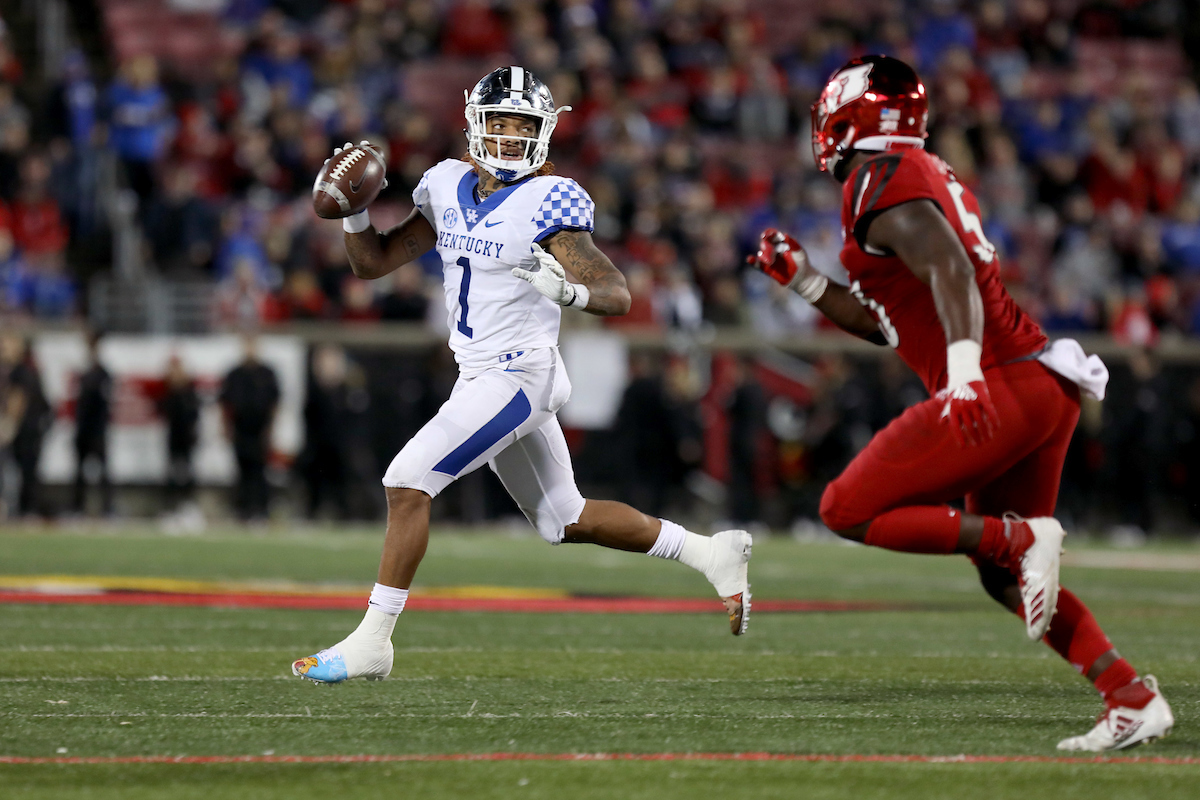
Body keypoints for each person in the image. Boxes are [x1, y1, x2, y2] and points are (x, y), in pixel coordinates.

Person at [747, 55, 1172, 753]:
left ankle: (1020, 537)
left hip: (997, 383)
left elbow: (947, 269)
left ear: (849, 118)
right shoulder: (914, 174)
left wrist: (967, 373)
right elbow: (890, 322)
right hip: (1037, 388)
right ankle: (1128, 694)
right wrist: (803, 280)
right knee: (1003, 579)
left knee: (845, 510)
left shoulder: (874, 180)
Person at [293, 67, 752, 685]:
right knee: (564, 519)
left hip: (520, 375)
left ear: (544, 132)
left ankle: (374, 641)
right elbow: (374, 264)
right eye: (500, 125)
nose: (510, 139)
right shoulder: (445, 183)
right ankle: (710, 551)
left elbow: (614, 292)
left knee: (406, 480)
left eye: (523, 127)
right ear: (474, 126)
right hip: (477, 374)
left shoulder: (551, 198)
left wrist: (568, 291)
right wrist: (353, 215)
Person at [219, 335, 279, 521]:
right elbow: (224, 403)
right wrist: (226, 428)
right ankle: (242, 510)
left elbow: (275, 404)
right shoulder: (234, 373)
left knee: (259, 471)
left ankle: (261, 510)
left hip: (260, 430)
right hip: (240, 430)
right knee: (241, 471)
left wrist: (271, 429)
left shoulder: (267, 373)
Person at [0, 333, 49, 518]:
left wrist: (8, 425)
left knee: (22, 470)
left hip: (26, 430)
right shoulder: (31, 370)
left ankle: (25, 509)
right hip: (32, 428)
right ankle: (25, 509)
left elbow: (17, 400)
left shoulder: (21, 372)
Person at [72, 332, 112, 516]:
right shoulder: (84, 373)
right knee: (80, 472)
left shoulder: (103, 374)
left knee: (103, 472)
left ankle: (107, 508)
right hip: (83, 430)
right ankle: (78, 507)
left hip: (97, 430)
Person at [158, 353, 200, 512]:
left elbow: (194, 415)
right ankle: (171, 506)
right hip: (173, 437)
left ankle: (188, 505)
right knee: (171, 473)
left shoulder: (189, 391)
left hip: (187, 437)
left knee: (188, 473)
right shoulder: (168, 392)